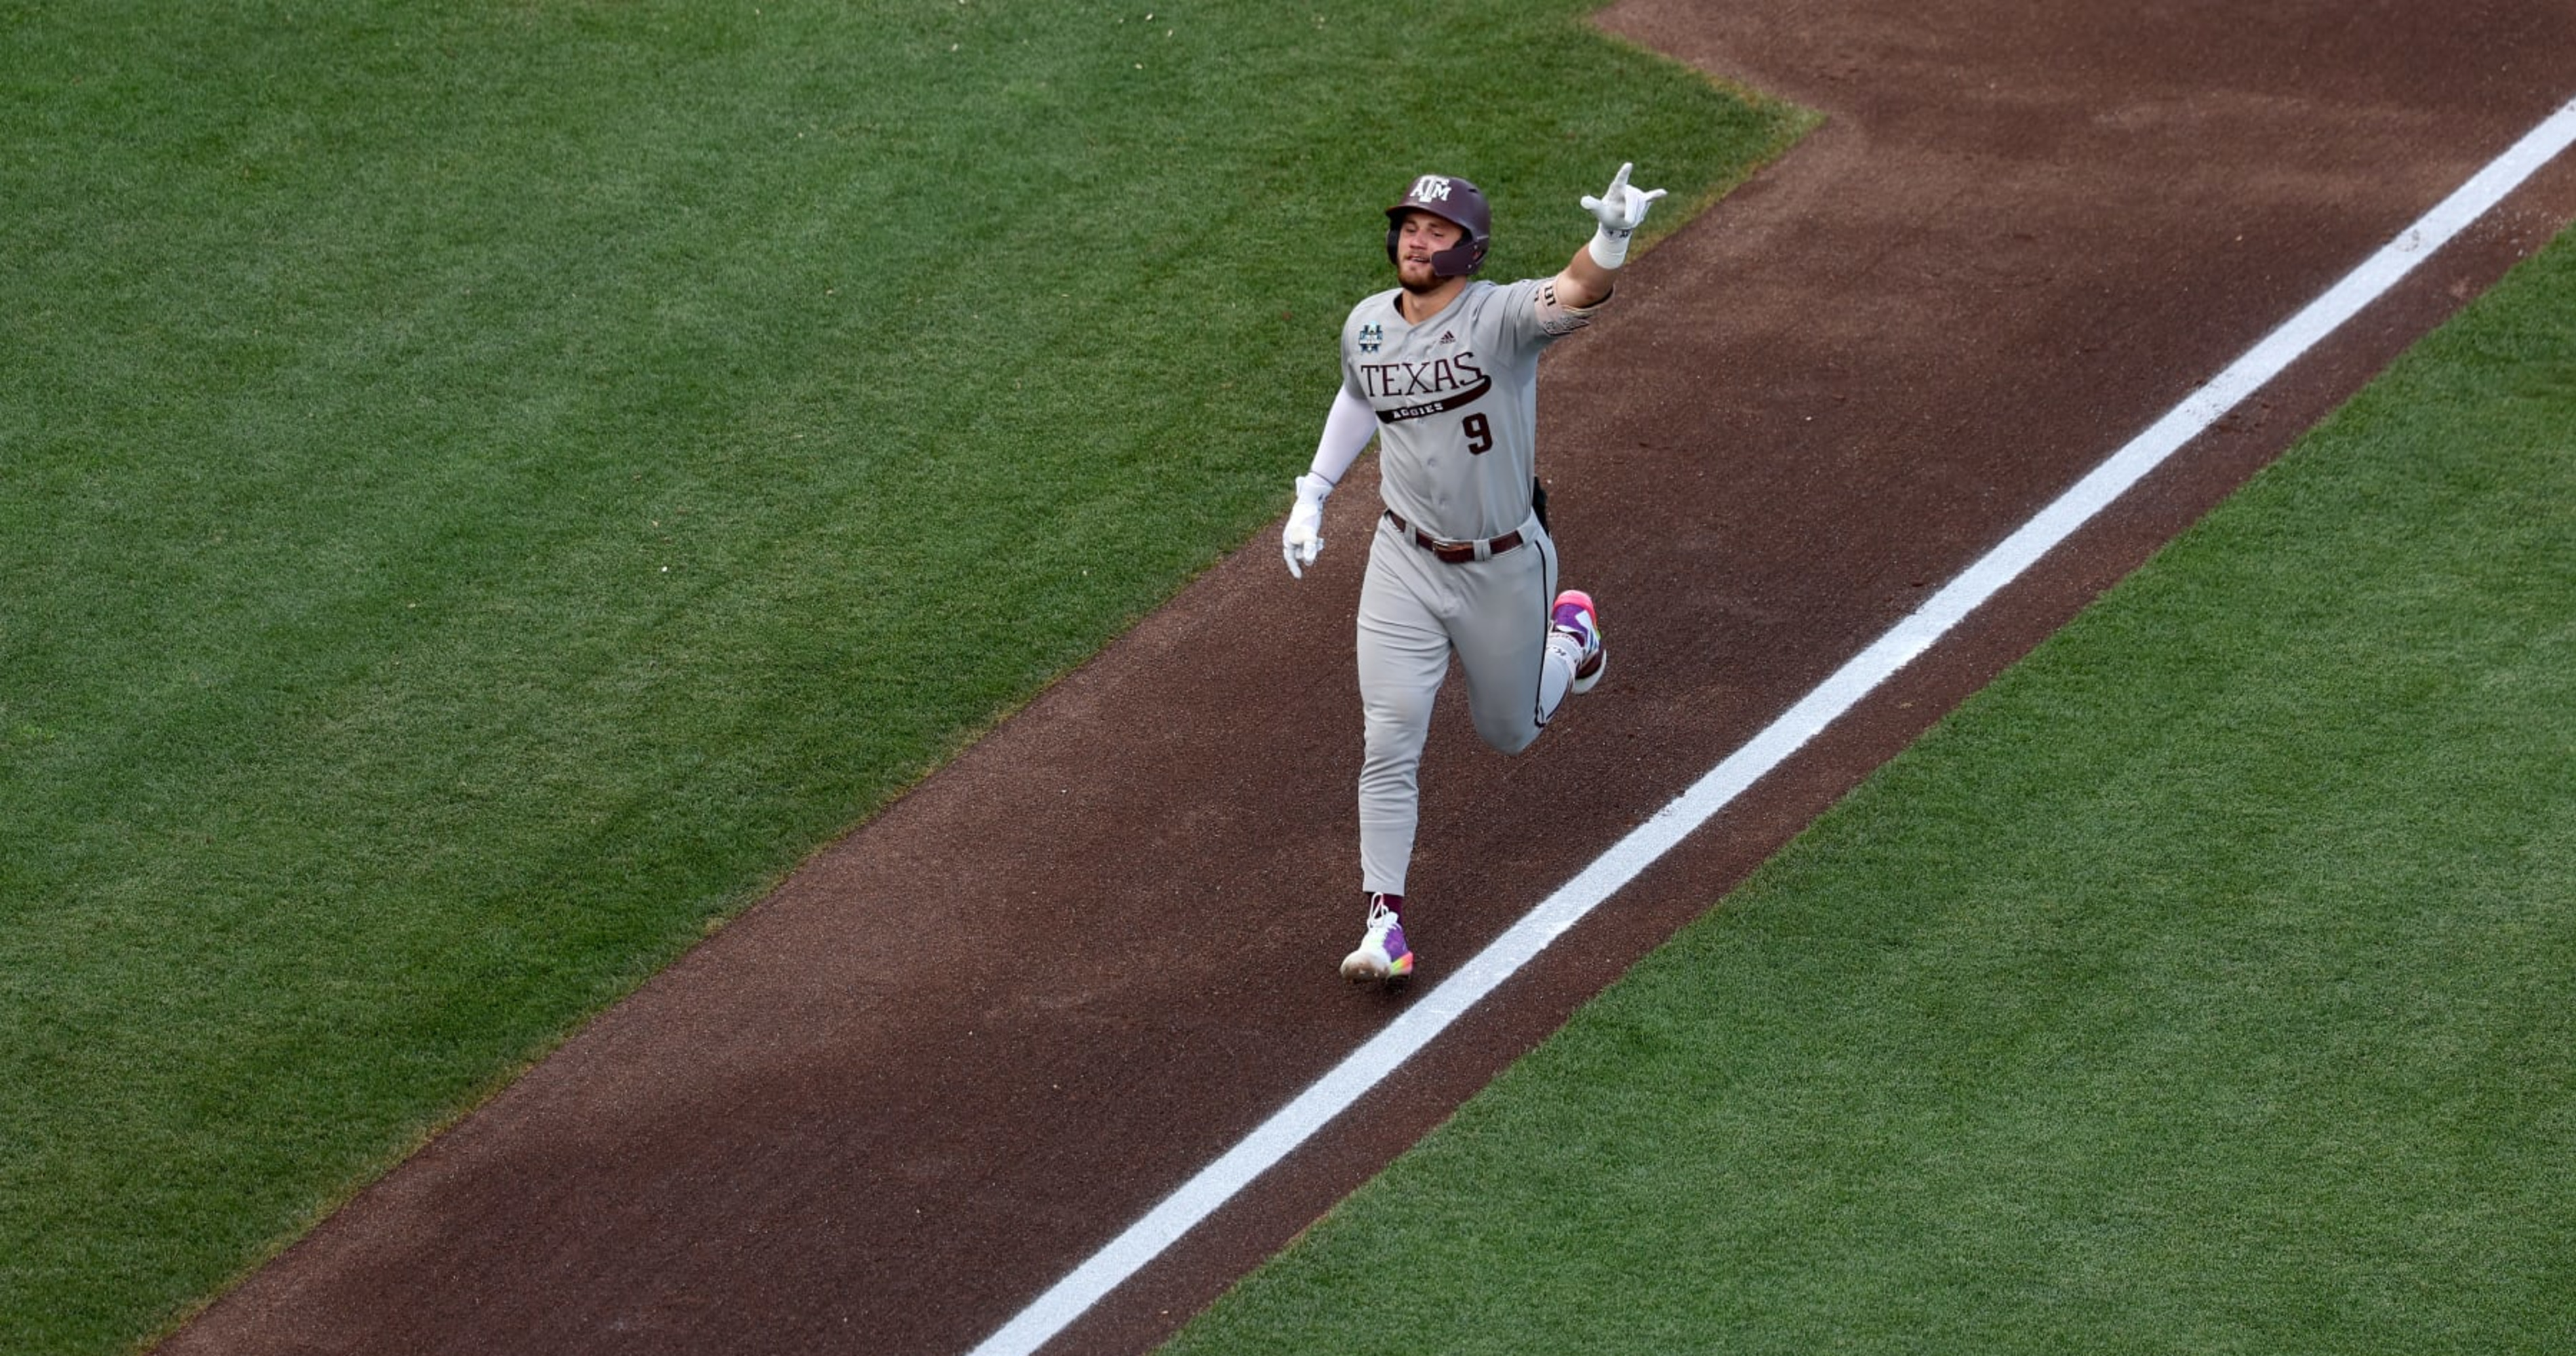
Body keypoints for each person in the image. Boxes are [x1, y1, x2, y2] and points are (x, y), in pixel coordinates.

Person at [1281, 163, 1664, 982]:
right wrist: (1312, 493)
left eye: (1438, 231)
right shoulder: (1367, 325)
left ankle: (1571, 639)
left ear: (1470, 249)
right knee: (1388, 736)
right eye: (1411, 227)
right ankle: (1383, 920)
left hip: (1502, 566)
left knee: (1509, 732)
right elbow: (1359, 396)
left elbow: (1575, 290)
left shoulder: (1498, 319)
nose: (1418, 241)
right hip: (1403, 559)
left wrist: (1612, 237)